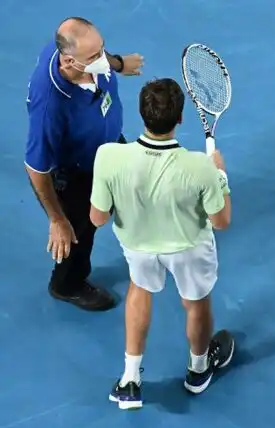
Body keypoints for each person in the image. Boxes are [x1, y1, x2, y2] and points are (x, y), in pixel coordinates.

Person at [89, 77, 235, 410]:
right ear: (180, 119)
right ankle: (198, 371)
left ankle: (129, 381)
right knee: (196, 304)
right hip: (189, 249)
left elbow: (97, 218)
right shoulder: (201, 166)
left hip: (138, 246)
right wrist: (221, 176)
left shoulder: (108, 157)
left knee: (139, 290)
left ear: (142, 115)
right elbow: (222, 221)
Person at [24, 17, 144, 312]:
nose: (101, 59)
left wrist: (118, 63)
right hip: (78, 172)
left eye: (101, 50)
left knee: (130, 191)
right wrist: (57, 219)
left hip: (110, 146)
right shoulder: (50, 105)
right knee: (81, 230)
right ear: (68, 61)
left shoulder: (85, 57)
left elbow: (98, 54)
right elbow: (36, 168)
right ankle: (68, 284)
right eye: (94, 57)